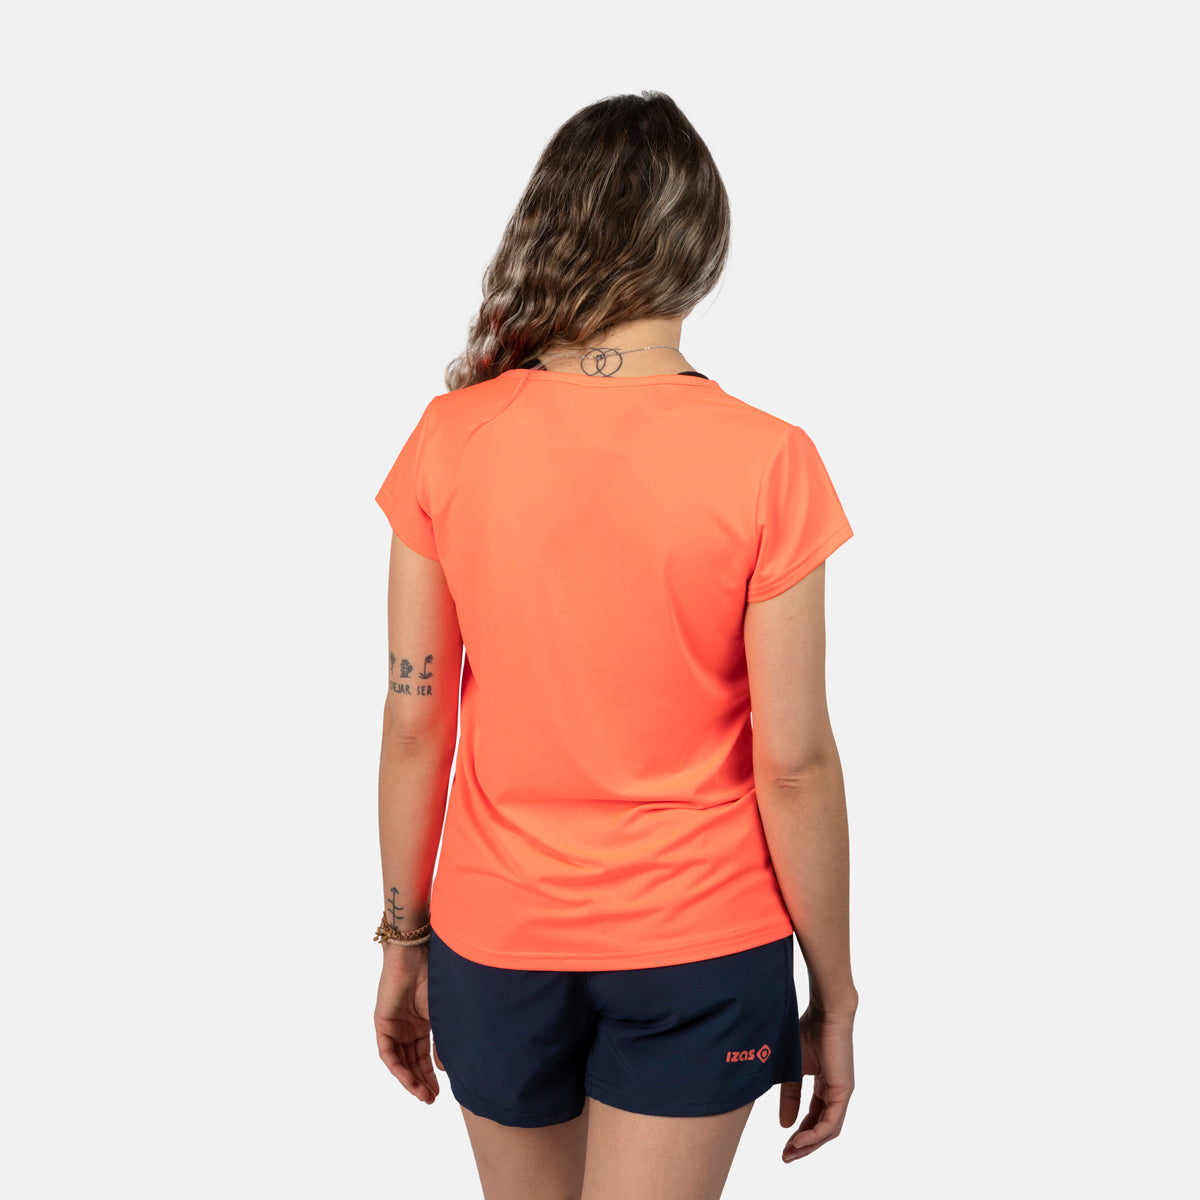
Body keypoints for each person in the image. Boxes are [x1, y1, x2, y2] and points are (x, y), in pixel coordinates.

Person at [371, 90, 858, 1200]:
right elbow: (793, 763)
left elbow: (414, 722)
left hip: (498, 941)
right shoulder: (768, 459)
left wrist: (403, 938)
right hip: (702, 942)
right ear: (703, 248)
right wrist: (833, 993)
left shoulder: (451, 438)